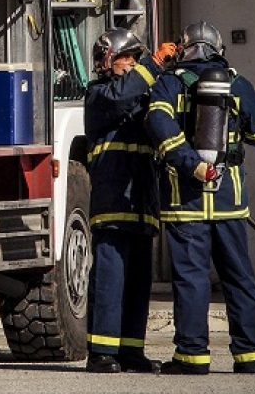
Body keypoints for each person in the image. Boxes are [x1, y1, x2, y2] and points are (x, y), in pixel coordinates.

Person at [144, 21, 255, 375]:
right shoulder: (236, 81)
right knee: (239, 276)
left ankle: (192, 356)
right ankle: (248, 355)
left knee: (191, 278)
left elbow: (158, 126)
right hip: (229, 199)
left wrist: (191, 164)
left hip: (184, 200)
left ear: (183, 49)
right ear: (219, 49)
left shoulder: (169, 83)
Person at [83, 28, 177, 373]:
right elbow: (122, 95)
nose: (131, 66)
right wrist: (153, 64)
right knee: (111, 277)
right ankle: (101, 353)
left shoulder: (142, 95)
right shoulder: (99, 96)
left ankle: (131, 350)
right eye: (129, 60)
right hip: (112, 200)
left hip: (142, 202)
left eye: (134, 60)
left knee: (138, 281)